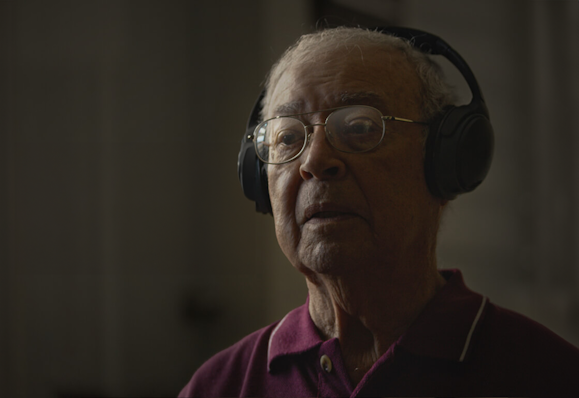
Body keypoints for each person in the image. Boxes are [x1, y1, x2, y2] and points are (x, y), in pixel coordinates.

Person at [179, 27, 579, 397]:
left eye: (359, 127)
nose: (315, 161)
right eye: (287, 137)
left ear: (444, 163)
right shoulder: (219, 386)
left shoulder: (548, 375)